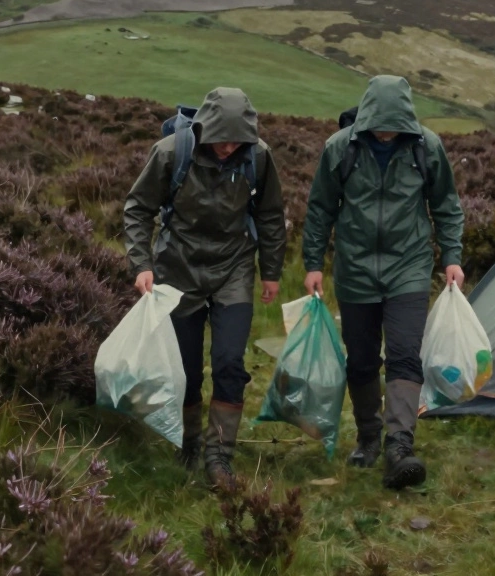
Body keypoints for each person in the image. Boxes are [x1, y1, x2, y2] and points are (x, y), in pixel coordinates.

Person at [302, 75, 465, 490]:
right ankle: (369, 435)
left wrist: (452, 257)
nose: (386, 132)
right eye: (380, 124)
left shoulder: (425, 147)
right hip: (354, 268)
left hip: (408, 266)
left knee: (405, 353)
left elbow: (446, 205)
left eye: (394, 125)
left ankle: (399, 445)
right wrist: (313, 262)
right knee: (360, 359)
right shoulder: (340, 148)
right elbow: (320, 207)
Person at [122, 87, 287, 490]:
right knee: (188, 370)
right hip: (179, 269)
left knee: (230, 361)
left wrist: (271, 271)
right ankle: (190, 443)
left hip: (233, 269)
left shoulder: (259, 156)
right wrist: (141, 264)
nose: (230, 148)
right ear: (204, 129)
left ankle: (220, 456)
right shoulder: (168, 154)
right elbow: (138, 209)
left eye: (238, 141)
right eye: (222, 139)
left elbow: (269, 214)